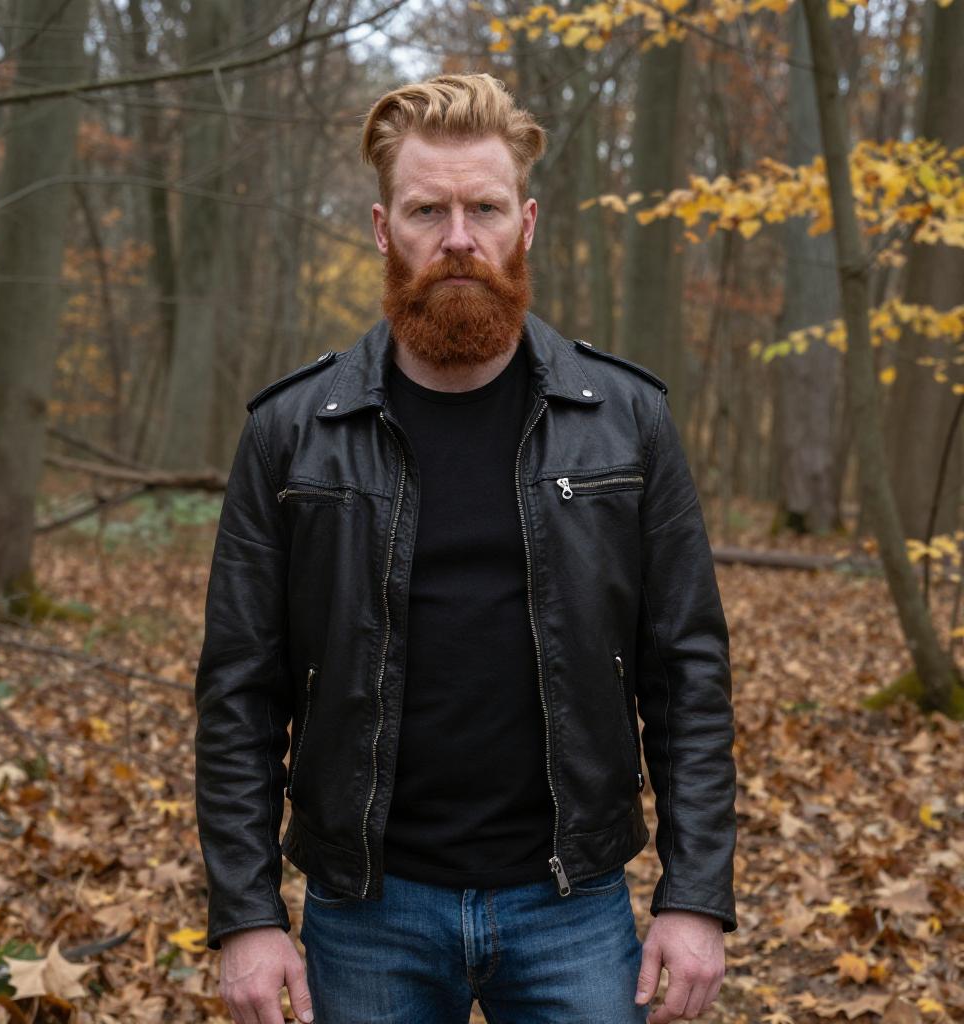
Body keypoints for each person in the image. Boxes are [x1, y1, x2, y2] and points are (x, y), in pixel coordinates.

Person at [194, 72, 737, 1024]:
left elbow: (687, 671)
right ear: (382, 228)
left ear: (525, 224)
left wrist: (694, 897)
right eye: (426, 211)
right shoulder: (292, 432)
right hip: (368, 909)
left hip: (571, 905)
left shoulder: (626, 420)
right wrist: (247, 914)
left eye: (483, 208)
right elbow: (239, 688)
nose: (457, 238)